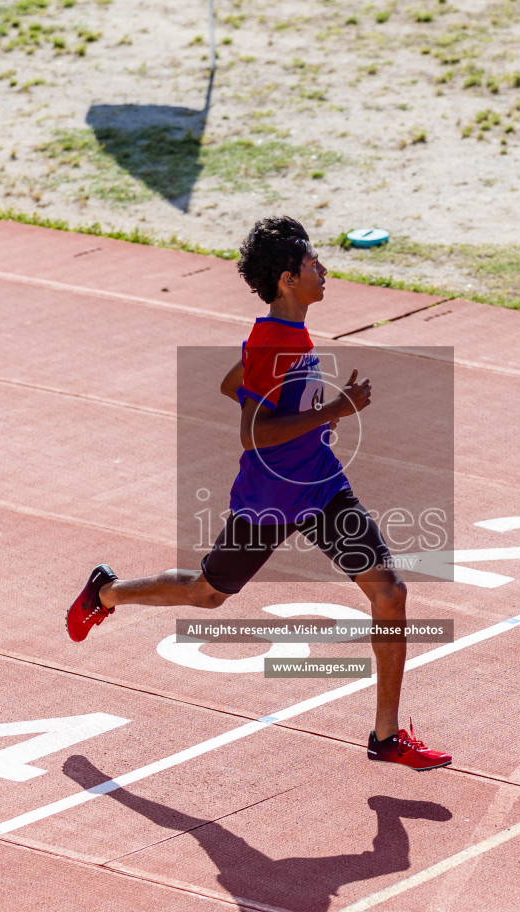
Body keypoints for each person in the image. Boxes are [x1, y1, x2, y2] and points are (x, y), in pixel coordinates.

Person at [66, 216, 451, 772]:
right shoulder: (274, 342)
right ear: (290, 278)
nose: (325, 270)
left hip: (318, 485)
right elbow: (250, 431)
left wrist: (308, 421)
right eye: (315, 264)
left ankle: (386, 736)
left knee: (389, 594)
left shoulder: (283, 335)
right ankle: (105, 594)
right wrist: (333, 410)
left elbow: (235, 384)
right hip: (268, 498)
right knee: (206, 593)